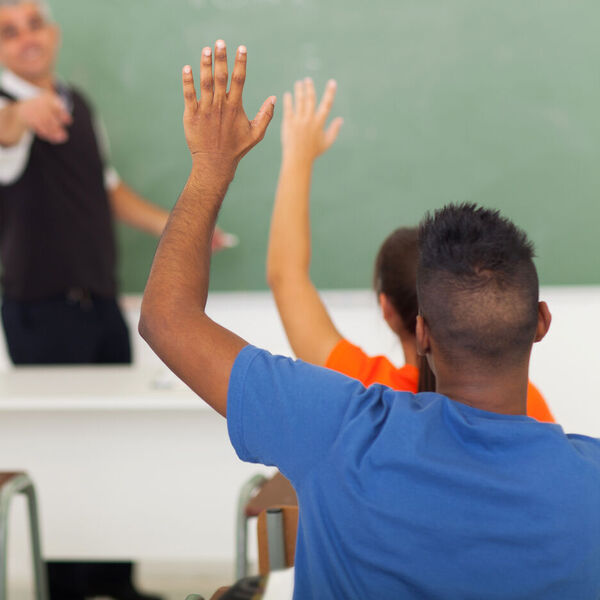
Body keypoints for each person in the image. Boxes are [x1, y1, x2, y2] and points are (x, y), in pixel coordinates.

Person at [139, 41, 600, 599]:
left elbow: (167, 318)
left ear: (422, 331)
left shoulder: (339, 426)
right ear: (541, 323)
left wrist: (212, 167)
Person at [0, 1, 173, 598]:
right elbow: (7, 128)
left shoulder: (80, 103)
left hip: (100, 306)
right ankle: (67, 591)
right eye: (8, 31)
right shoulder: (6, 107)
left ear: (53, 34)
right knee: (62, 458)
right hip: (40, 314)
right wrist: (21, 110)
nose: (25, 39)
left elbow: (107, 189)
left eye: (32, 25)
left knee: (114, 447)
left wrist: (171, 226)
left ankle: (117, 584)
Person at [266, 77, 554, 422]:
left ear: (392, 312)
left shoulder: (371, 397)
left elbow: (286, 276)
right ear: (537, 321)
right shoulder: (528, 407)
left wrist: (299, 156)